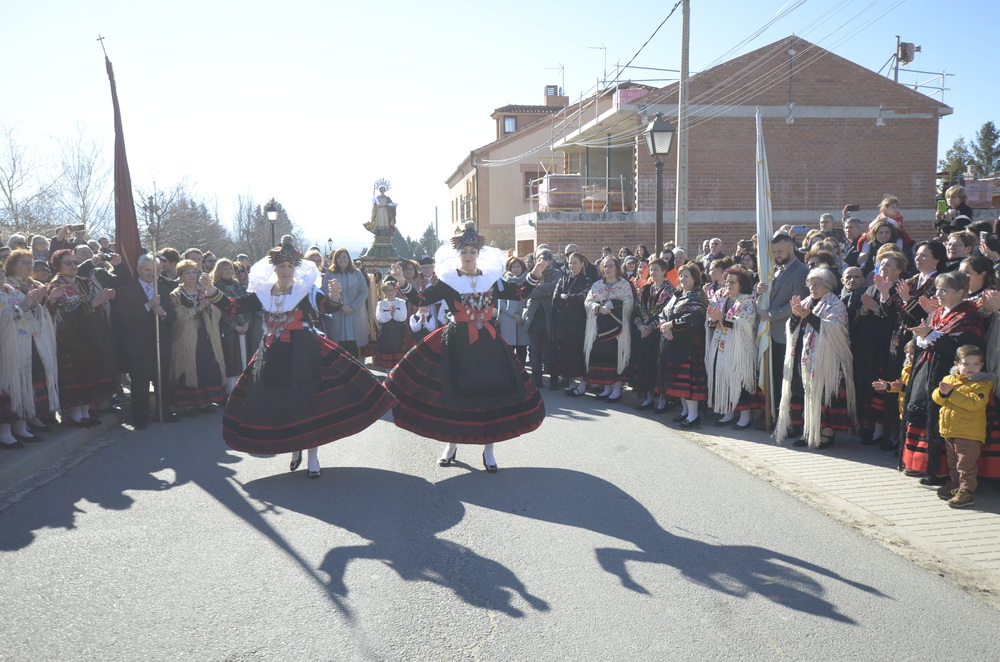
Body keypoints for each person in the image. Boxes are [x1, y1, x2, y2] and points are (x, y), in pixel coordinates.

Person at [204, 236, 395, 478]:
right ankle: (294, 447)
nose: (285, 270)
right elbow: (234, 306)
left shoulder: (305, 291)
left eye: (289, 266)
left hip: (305, 350)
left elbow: (326, 306)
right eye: (281, 266)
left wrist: (335, 296)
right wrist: (211, 292)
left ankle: (313, 458)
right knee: (284, 402)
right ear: (275, 269)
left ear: (295, 269)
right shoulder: (264, 292)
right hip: (274, 352)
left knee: (310, 403)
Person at [387, 222, 547, 472]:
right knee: (454, 396)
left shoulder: (492, 279)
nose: (469, 256)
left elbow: (520, 293)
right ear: (458, 255)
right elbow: (420, 299)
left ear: (478, 254)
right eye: (464, 252)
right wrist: (401, 282)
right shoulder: (448, 280)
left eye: (473, 252)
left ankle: (489, 450)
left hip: (489, 345)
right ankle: (451, 446)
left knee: (491, 396)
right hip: (458, 344)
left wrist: (536, 271)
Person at [901, 272, 985, 484]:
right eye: (938, 289)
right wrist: (925, 333)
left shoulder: (968, 315)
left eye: (944, 290)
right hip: (927, 370)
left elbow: (963, 346)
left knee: (938, 420)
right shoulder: (939, 313)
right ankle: (917, 463)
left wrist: (931, 334)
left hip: (948, 375)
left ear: (960, 293)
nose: (938, 294)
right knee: (919, 411)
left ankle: (939, 470)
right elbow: (932, 336)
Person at [776, 268, 855, 449]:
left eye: (817, 284)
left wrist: (808, 316)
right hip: (805, 357)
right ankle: (809, 430)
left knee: (827, 394)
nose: (812, 287)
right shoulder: (806, 302)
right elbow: (791, 327)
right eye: (810, 283)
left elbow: (836, 331)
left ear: (828, 286)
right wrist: (795, 316)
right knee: (807, 392)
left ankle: (827, 432)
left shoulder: (836, 304)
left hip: (827, 360)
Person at [45, 249, 119, 426]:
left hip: (90, 334)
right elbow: (63, 312)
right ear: (58, 266)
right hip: (70, 336)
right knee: (76, 374)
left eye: (75, 262)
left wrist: (104, 299)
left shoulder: (84, 282)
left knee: (89, 372)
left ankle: (86, 411)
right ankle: (75, 414)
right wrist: (95, 302)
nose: (73, 266)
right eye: (68, 263)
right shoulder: (56, 285)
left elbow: (94, 306)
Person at [116, 254, 178, 429]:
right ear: (139, 270)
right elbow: (125, 318)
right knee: (140, 384)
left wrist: (164, 314)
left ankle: (164, 412)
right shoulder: (127, 290)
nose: (152, 274)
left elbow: (172, 315)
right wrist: (148, 306)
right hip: (138, 346)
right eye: (148, 270)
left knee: (162, 381)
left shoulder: (164, 289)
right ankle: (140, 418)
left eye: (156, 270)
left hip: (161, 344)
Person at [931, 345, 994, 509]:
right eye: (966, 364)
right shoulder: (949, 379)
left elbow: (973, 404)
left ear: (981, 365)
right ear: (957, 364)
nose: (971, 368)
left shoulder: (983, 384)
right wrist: (942, 393)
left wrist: (951, 393)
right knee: (953, 462)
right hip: (949, 429)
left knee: (966, 465)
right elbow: (937, 398)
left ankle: (967, 492)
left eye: (975, 364)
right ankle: (954, 485)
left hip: (969, 432)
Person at [757, 233, 810, 402]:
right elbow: (769, 297)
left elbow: (795, 304)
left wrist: (770, 315)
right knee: (774, 377)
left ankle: (787, 421)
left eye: (780, 251)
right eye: (774, 251)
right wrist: (759, 290)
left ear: (791, 248)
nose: (777, 255)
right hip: (771, 333)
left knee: (787, 379)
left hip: (787, 333)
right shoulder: (774, 269)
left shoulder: (801, 271)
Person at [169, 260, 226, 413]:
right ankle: (189, 404)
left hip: (206, 334)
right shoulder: (176, 295)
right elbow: (178, 316)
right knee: (188, 364)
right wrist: (198, 308)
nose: (192, 275)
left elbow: (218, 311)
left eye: (194, 272)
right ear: (181, 276)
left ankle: (206, 401)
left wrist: (209, 308)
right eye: (187, 272)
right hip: (185, 337)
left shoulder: (203, 292)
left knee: (207, 364)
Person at [705, 266, 759, 429]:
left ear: (741, 284)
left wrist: (722, 318)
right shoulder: (722, 297)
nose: (728, 284)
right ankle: (727, 412)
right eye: (727, 281)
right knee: (723, 376)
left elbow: (746, 324)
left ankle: (744, 416)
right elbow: (713, 318)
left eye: (732, 282)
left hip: (739, 349)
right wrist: (714, 319)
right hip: (722, 345)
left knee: (741, 379)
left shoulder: (748, 300)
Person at [657, 263, 709, 426]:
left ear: (694, 278)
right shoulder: (676, 294)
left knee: (688, 382)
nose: (682, 279)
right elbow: (663, 313)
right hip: (673, 343)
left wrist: (671, 325)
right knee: (678, 380)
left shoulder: (698, 295)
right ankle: (685, 411)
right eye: (680, 276)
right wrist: (665, 328)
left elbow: (694, 318)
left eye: (686, 276)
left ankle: (693, 415)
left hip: (690, 345)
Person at [583, 257, 635, 403]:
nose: (608, 268)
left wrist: (613, 305)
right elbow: (588, 302)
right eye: (605, 266)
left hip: (618, 328)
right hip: (599, 328)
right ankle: (607, 388)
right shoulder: (597, 285)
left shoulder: (625, 285)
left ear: (617, 267)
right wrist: (599, 308)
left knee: (617, 357)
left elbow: (630, 302)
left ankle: (617, 389)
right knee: (602, 357)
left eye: (611, 266)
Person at [631, 258, 674, 410]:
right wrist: (641, 326)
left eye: (657, 269)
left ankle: (662, 399)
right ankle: (648, 397)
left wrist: (650, 327)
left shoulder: (670, 291)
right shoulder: (646, 289)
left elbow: (667, 313)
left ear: (664, 271)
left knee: (659, 367)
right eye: (652, 269)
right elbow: (637, 310)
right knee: (645, 365)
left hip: (659, 334)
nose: (653, 272)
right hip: (644, 333)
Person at [553, 252, 596, 397]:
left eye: (575, 263)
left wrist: (569, 298)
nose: (572, 266)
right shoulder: (564, 279)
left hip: (579, 321)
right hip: (564, 321)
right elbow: (556, 297)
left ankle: (581, 382)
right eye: (570, 263)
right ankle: (569, 381)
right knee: (565, 351)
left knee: (577, 351)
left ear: (582, 264)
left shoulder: (586, 280)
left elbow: (585, 296)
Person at [212, 258, 250, 398]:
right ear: (219, 271)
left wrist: (246, 323)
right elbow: (220, 310)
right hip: (228, 330)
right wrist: (235, 326)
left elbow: (246, 304)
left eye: (230, 268)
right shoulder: (216, 287)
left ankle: (244, 388)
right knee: (231, 359)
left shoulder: (237, 285)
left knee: (245, 358)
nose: (229, 271)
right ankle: (231, 390)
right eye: (225, 269)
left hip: (244, 329)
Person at [523, 248, 560, 390]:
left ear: (550, 261)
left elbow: (555, 288)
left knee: (550, 351)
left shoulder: (557, 273)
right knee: (535, 351)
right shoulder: (532, 274)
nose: (542, 262)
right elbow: (527, 292)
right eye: (539, 258)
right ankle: (537, 380)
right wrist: (546, 291)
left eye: (545, 259)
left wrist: (538, 287)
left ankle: (553, 381)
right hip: (533, 318)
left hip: (549, 318)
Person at [325, 248, 370, 359]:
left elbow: (364, 292)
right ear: (335, 259)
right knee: (338, 347)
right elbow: (325, 292)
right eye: (339, 257)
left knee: (354, 348)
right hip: (337, 313)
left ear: (349, 258)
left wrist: (353, 307)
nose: (342, 259)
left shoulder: (357, 273)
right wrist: (341, 306)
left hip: (354, 313)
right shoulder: (330, 273)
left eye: (344, 257)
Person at [497, 257, 529, 365]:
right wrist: (514, 314)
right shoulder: (504, 282)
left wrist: (522, 315)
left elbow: (530, 300)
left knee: (522, 351)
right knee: (509, 351)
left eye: (518, 266)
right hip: (508, 319)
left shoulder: (527, 282)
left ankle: (523, 377)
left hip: (523, 320)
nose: (516, 269)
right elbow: (501, 303)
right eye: (513, 267)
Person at [374, 277, 408, 369]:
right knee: (387, 359)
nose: (390, 292)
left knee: (398, 361)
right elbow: (380, 318)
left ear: (396, 290)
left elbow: (402, 317)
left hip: (398, 333)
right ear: (384, 292)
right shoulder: (380, 304)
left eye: (392, 290)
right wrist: (390, 313)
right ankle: (388, 376)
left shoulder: (401, 302)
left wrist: (395, 312)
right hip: (386, 333)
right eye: (387, 290)